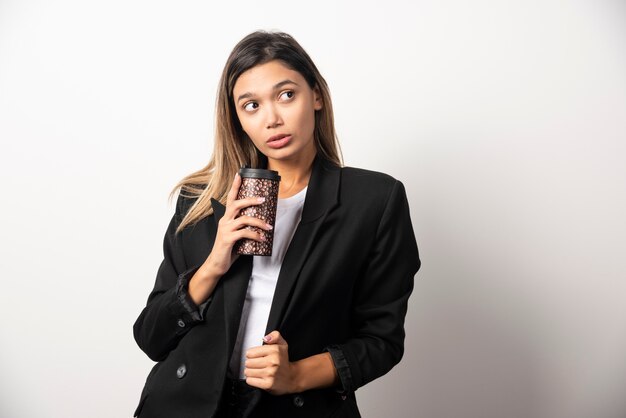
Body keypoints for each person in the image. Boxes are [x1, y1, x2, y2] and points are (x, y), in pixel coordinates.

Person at [133, 30, 420, 418]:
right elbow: (152, 338)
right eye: (251, 105)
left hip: (293, 408)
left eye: (286, 95)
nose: (272, 119)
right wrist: (213, 265)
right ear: (237, 119)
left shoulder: (373, 201)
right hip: (188, 405)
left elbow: (382, 339)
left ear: (315, 96)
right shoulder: (200, 201)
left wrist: (297, 375)